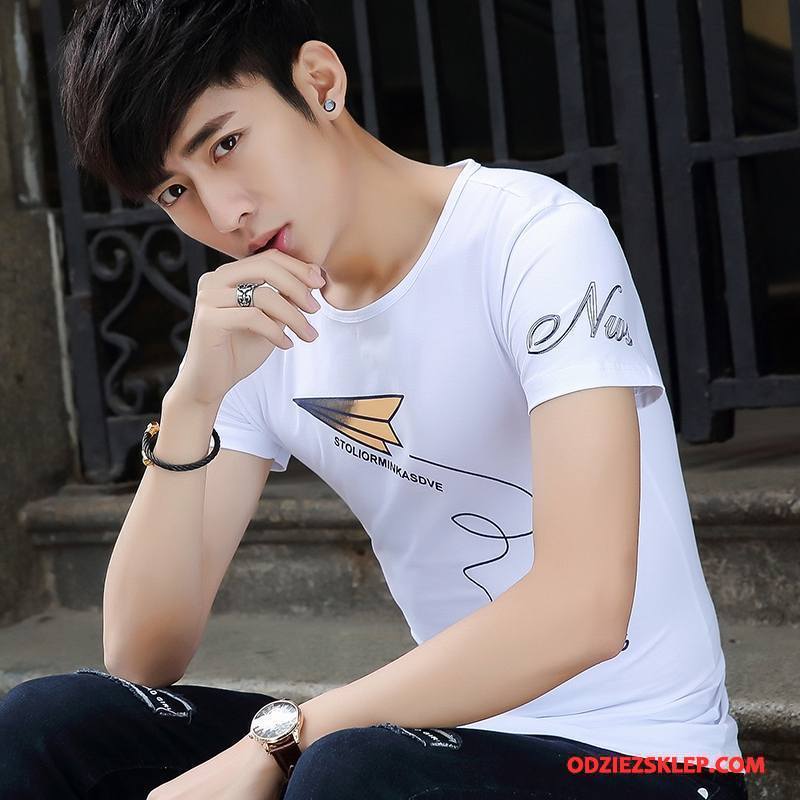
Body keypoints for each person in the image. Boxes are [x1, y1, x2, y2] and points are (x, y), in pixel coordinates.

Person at [0, 0, 749, 798]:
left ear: (320, 82)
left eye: (226, 143)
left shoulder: (534, 239)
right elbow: (141, 657)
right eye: (175, 190)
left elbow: (586, 608)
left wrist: (282, 741)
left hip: (650, 758)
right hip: (452, 744)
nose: (224, 214)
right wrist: (194, 397)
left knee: (350, 771)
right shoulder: (259, 323)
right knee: (48, 724)